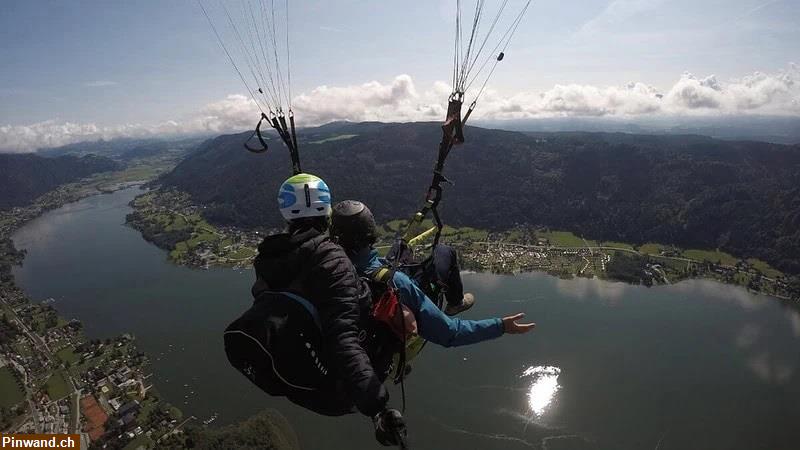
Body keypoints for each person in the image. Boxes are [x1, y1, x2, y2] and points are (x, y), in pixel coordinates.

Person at [248, 173, 405, 444]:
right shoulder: (332, 260)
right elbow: (343, 339)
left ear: (285, 213)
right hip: (335, 392)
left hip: (296, 381)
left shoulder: (268, 261)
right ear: (328, 212)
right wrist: (377, 407)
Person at [330, 200, 536, 350]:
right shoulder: (398, 284)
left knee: (400, 247)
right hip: (395, 294)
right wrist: (501, 326)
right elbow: (451, 333)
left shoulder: (323, 269)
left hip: (369, 286)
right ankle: (455, 302)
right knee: (444, 252)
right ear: (371, 235)